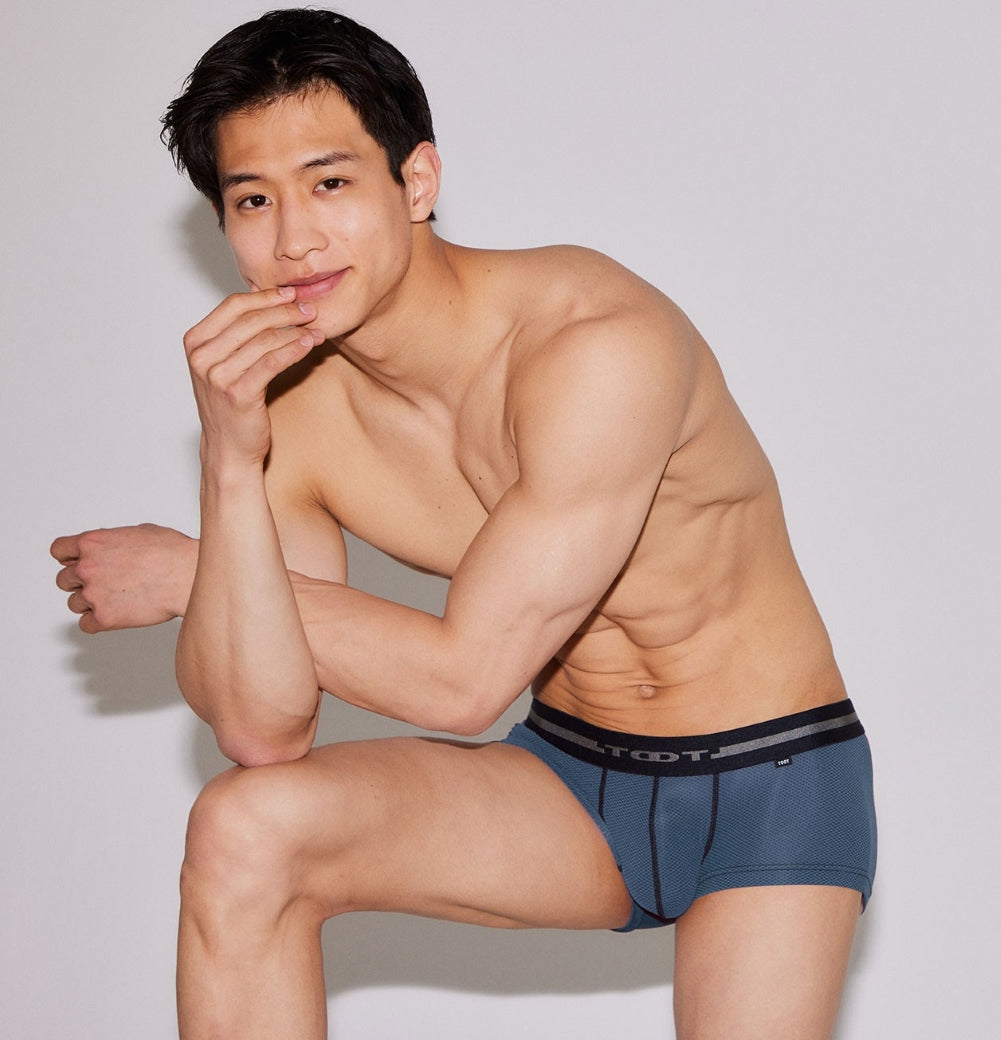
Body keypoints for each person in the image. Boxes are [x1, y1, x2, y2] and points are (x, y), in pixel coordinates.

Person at [50, 9, 876, 1038]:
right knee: (246, 825)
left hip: (772, 777)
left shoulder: (594, 344)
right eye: (253, 199)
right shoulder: (289, 410)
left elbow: (463, 683)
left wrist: (191, 573)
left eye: (330, 183)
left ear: (417, 181)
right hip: (570, 780)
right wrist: (228, 461)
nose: (294, 239)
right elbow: (263, 726)